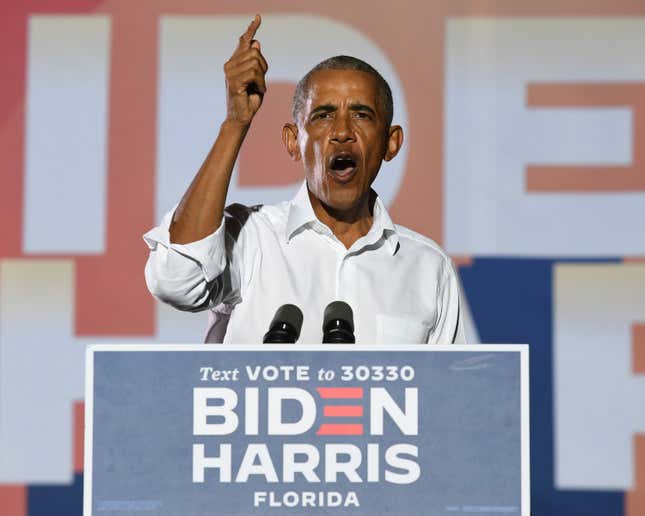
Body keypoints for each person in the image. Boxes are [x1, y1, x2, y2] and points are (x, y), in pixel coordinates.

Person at [143, 15, 465, 344]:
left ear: (391, 143)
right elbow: (175, 282)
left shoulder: (428, 268)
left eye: (361, 114)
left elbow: (454, 392)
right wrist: (235, 122)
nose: (342, 132)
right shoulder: (252, 238)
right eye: (323, 115)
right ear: (292, 142)